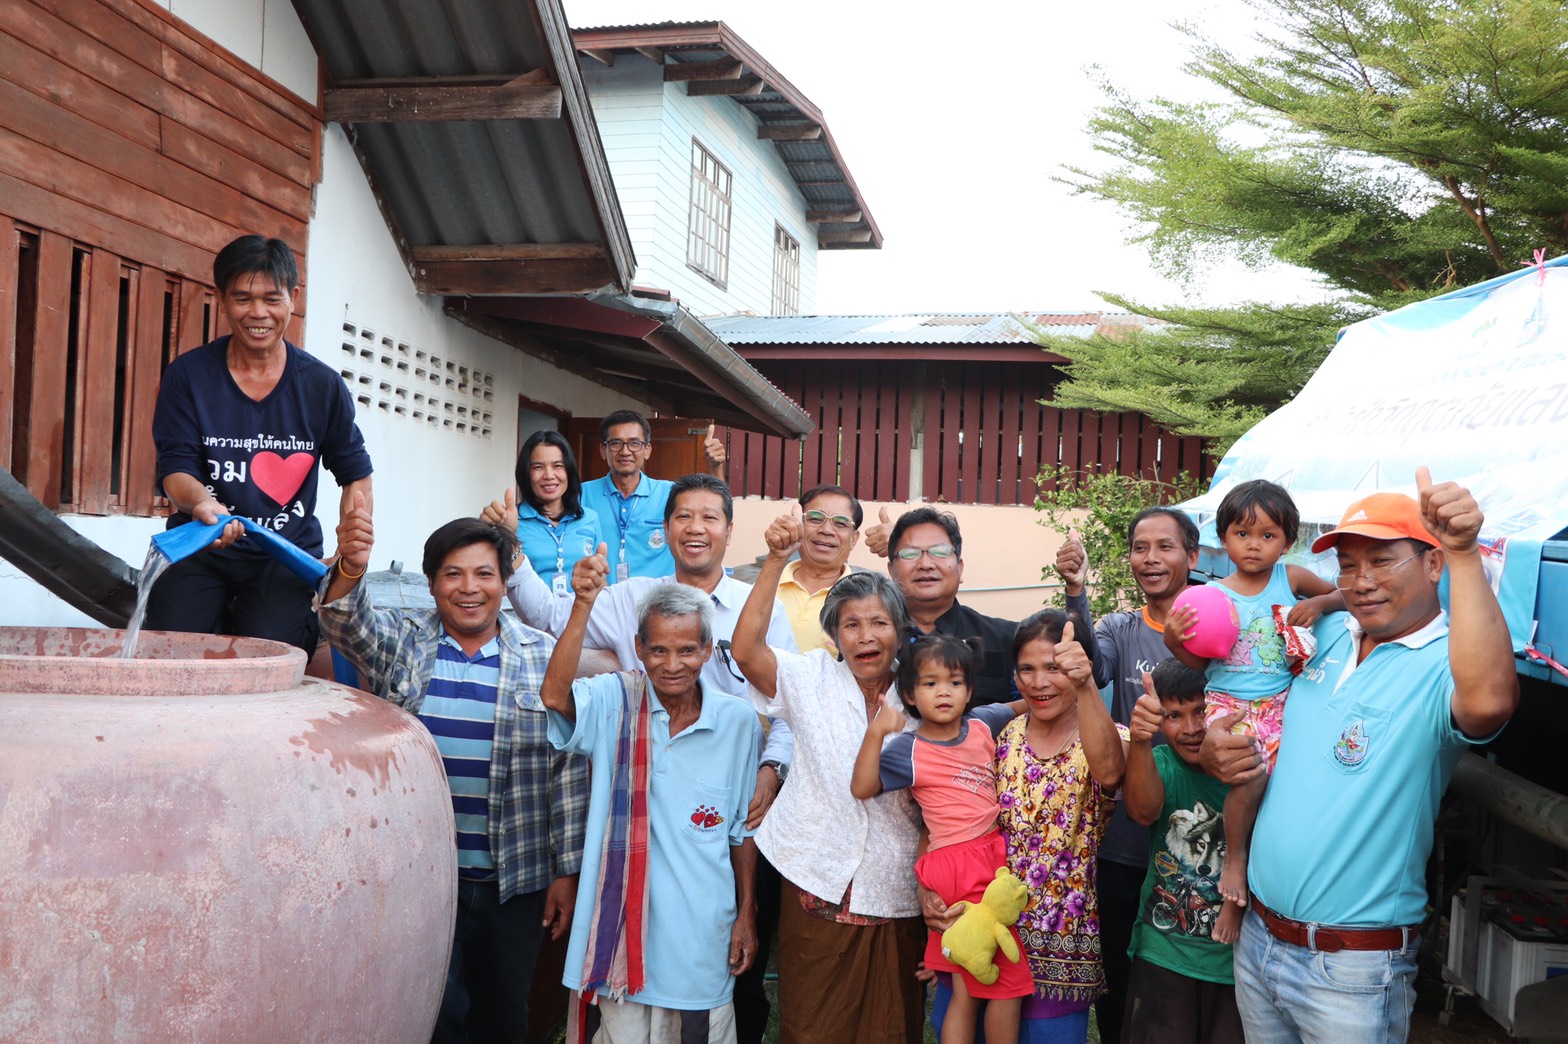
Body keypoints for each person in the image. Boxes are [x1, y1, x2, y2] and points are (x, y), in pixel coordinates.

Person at [1203, 469, 1519, 1043]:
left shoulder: (1443, 664)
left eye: (1382, 561)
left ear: (1432, 564)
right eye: (1348, 565)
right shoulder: (1322, 635)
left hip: (1350, 970)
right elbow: (1247, 697)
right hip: (1259, 940)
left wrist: (1465, 551)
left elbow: (1490, 702)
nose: (1362, 581)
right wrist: (1217, 749)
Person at [318, 500, 587, 1043]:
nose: (469, 588)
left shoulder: (542, 656)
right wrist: (351, 565)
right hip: (423, 878)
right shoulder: (404, 642)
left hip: (514, 881)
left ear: (505, 583)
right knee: (433, 1016)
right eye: (453, 574)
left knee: (503, 1017)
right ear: (433, 583)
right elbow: (344, 621)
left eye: (484, 574)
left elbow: (568, 771)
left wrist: (567, 871)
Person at [499, 474, 798, 826]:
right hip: (643, 788)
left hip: (735, 788)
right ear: (667, 530)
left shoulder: (761, 608)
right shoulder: (631, 598)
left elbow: (789, 704)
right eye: (683, 517)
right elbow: (549, 617)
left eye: (709, 518)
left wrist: (771, 769)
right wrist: (512, 549)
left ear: (729, 531)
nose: (695, 528)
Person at [541, 567, 759, 1044]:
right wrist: (583, 606)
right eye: (658, 650)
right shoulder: (614, 702)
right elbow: (554, 695)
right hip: (620, 932)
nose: (673, 664)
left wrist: (747, 913)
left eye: (687, 650)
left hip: (701, 937)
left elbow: (741, 830)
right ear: (639, 649)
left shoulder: (739, 722)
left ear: (707, 650)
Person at [733, 507, 926, 1044]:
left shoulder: (922, 693)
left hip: (895, 887)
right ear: (835, 636)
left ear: (900, 631)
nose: (866, 636)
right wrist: (776, 560)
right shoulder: (810, 677)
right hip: (815, 880)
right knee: (813, 1023)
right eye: (851, 625)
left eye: (879, 623)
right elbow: (746, 651)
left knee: (891, 1026)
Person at [147, 234, 373, 654]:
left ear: (293, 298)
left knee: (275, 653)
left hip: (284, 553)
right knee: (170, 646)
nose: (258, 313)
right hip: (201, 542)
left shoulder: (321, 386)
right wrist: (202, 503)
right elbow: (176, 469)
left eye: (272, 299)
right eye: (242, 298)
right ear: (221, 298)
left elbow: (355, 473)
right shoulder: (188, 376)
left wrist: (355, 533)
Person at [927, 609, 1127, 1044]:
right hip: (982, 930)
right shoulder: (999, 737)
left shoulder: (1109, 736)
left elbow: (1111, 773)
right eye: (1026, 669)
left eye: (1054, 668)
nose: (1039, 683)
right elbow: (948, 815)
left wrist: (1086, 684)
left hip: (1058, 939)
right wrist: (929, 892)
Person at [1162, 480, 1340, 941]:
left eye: (1268, 535)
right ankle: (1235, 862)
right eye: (1243, 534)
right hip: (1228, 704)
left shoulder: (1292, 579)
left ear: (1288, 540)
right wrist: (1173, 642)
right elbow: (1198, 664)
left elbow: (1343, 595)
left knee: (1278, 794)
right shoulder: (1213, 595)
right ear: (1223, 538)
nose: (1255, 545)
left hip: (1280, 702)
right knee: (1250, 776)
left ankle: (1258, 891)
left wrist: (1319, 603)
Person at [1060, 507, 1200, 1044]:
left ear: (1192, 556)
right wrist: (1077, 591)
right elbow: (1092, 667)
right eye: (1141, 548)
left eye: (1165, 547)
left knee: (1189, 983)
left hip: (1198, 841)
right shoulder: (1120, 627)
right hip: (1124, 843)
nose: (1151, 558)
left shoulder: (1220, 625)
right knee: (1118, 980)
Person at [851, 634, 1030, 1044]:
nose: (944, 692)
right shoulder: (909, 749)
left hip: (985, 856)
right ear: (910, 695)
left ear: (969, 689)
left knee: (967, 988)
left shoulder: (983, 724)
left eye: (955, 682)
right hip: (958, 865)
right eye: (930, 683)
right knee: (1008, 984)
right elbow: (862, 787)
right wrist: (877, 732)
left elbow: (1024, 705)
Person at [1122, 659, 1243, 1044]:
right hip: (1164, 954)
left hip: (1237, 965)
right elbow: (1142, 811)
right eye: (1174, 715)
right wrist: (1141, 740)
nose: (1191, 729)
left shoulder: (1251, 771)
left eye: (1202, 711)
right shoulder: (1162, 764)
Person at [866, 506, 1017, 705]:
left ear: (960, 568)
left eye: (940, 552)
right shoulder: (868, 642)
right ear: (891, 571)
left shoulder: (1007, 639)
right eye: (910, 554)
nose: (925, 564)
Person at [581, 410, 725, 583]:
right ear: (603, 450)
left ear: (647, 450)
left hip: (659, 598)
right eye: (616, 443)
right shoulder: (581, 495)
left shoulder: (671, 493)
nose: (625, 451)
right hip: (603, 596)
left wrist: (715, 466)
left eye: (635, 443)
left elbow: (716, 509)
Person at [492, 430, 602, 595]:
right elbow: (499, 578)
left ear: (569, 471)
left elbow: (599, 577)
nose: (549, 475)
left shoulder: (589, 518)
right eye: (538, 467)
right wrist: (504, 531)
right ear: (526, 473)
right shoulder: (511, 521)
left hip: (582, 609)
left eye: (558, 466)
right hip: (528, 610)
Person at [775, 485, 862, 653]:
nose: (826, 530)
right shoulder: (766, 585)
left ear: (853, 539)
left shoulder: (864, 598)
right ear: (798, 525)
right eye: (815, 518)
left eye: (840, 523)